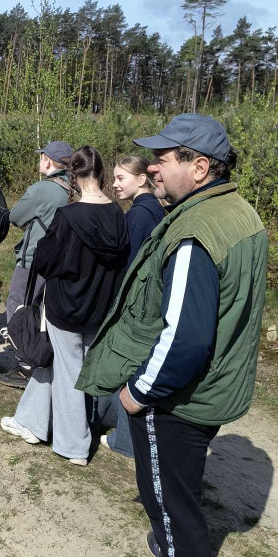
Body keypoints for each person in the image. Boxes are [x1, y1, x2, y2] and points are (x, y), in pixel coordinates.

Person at [77, 115, 267, 557]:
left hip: (180, 403)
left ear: (200, 167)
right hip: (213, 392)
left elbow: (184, 341)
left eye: (165, 158)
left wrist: (138, 393)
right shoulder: (240, 213)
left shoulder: (194, 234)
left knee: (172, 507)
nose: (153, 166)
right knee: (177, 502)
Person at [0, 146, 128, 466]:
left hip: (67, 306)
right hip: (99, 306)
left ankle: (74, 445)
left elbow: (44, 260)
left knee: (71, 373)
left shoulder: (69, 217)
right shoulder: (117, 215)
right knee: (56, 363)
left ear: (74, 176)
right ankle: (31, 421)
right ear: (102, 174)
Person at [98, 156, 166, 458]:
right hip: (146, 303)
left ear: (141, 179)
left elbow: (131, 264)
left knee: (126, 366)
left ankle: (124, 439)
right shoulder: (154, 209)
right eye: (113, 177)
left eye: (121, 178)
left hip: (135, 305)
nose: (114, 184)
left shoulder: (140, 215)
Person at [0, 141, 72, 389]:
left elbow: (15, 216)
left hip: (34, 260)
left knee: (19, 308)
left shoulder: (41, 189)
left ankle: (24, 365)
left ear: (48, 161)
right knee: (43, 313)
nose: (39, 160)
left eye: (42, 157)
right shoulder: (74, 189)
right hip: (61, 262)